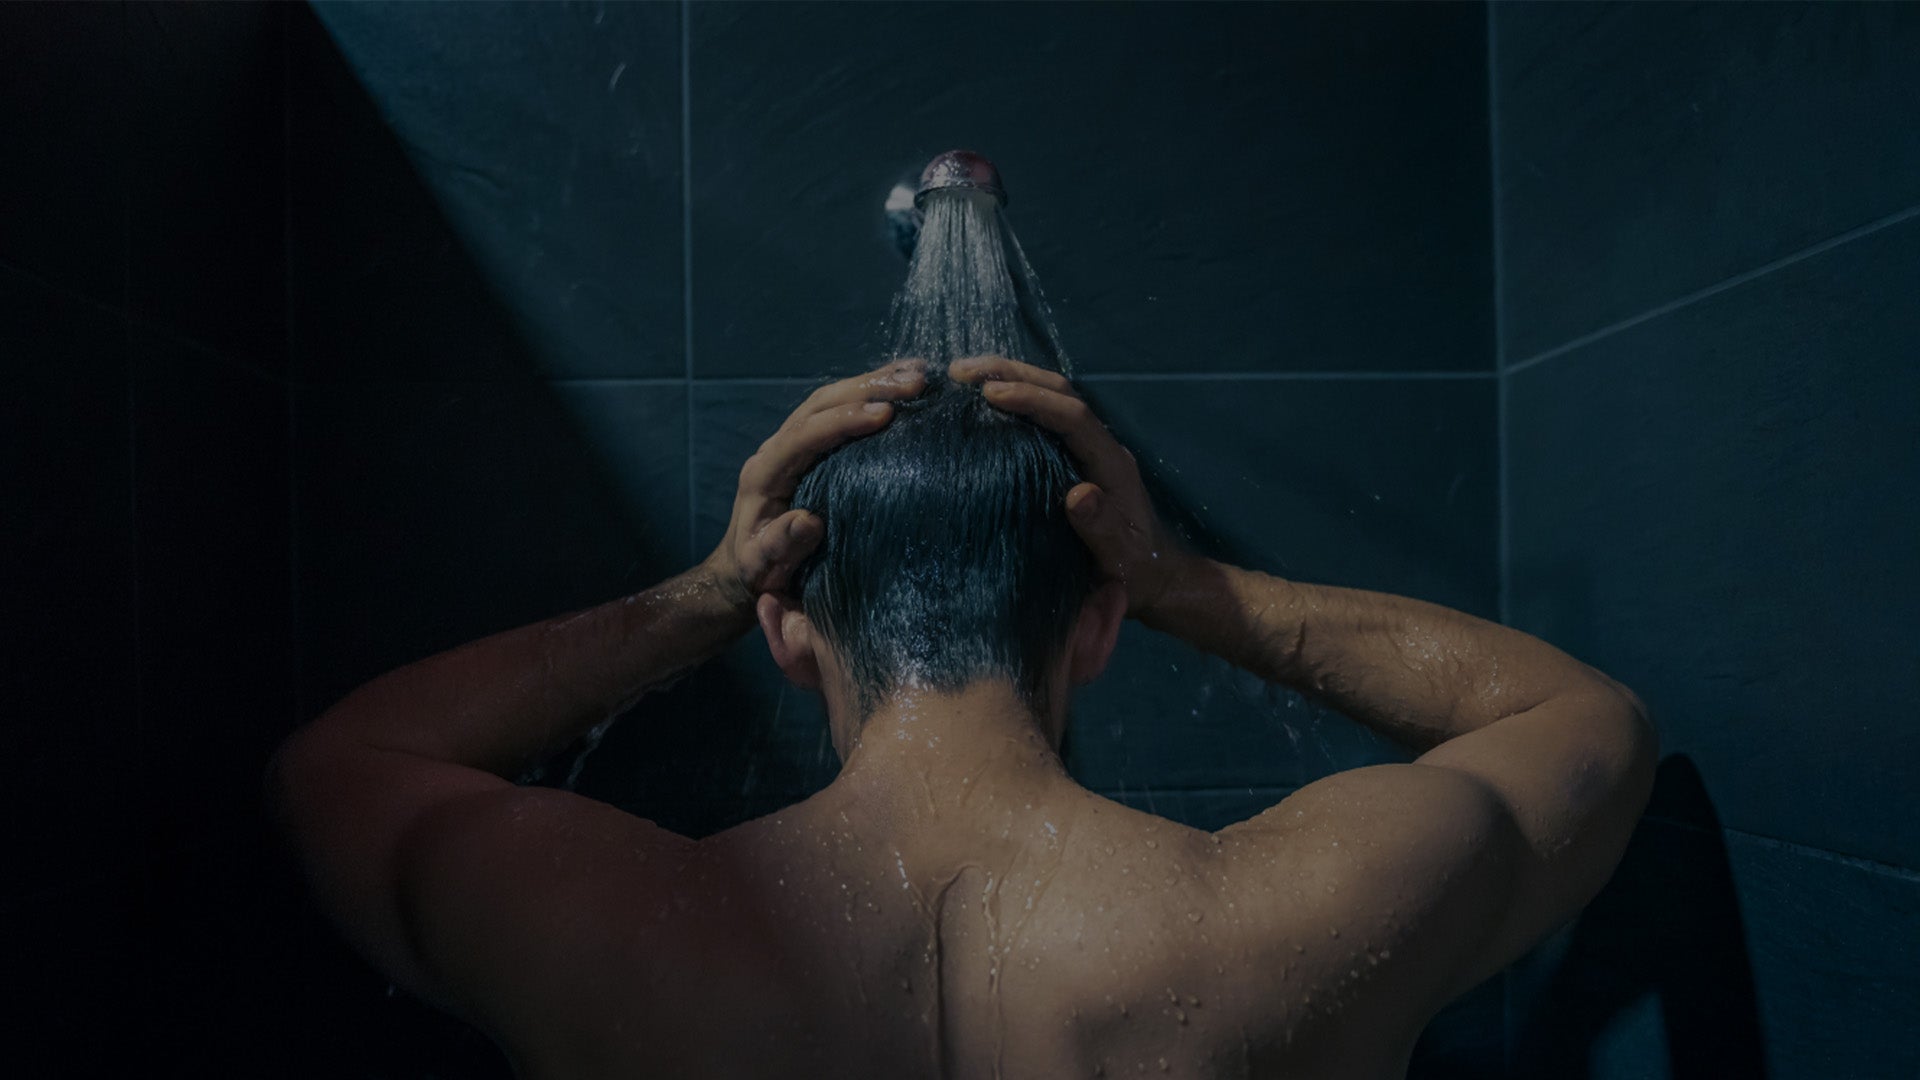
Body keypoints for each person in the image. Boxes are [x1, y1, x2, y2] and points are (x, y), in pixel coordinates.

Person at [270, 355, 1657, 1079]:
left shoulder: (612, 930)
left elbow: (343, 762)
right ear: (1097, 623)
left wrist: (696, 591)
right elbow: (1580, 717)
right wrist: (1190, 583)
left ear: (786, 629)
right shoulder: (1289, 916)